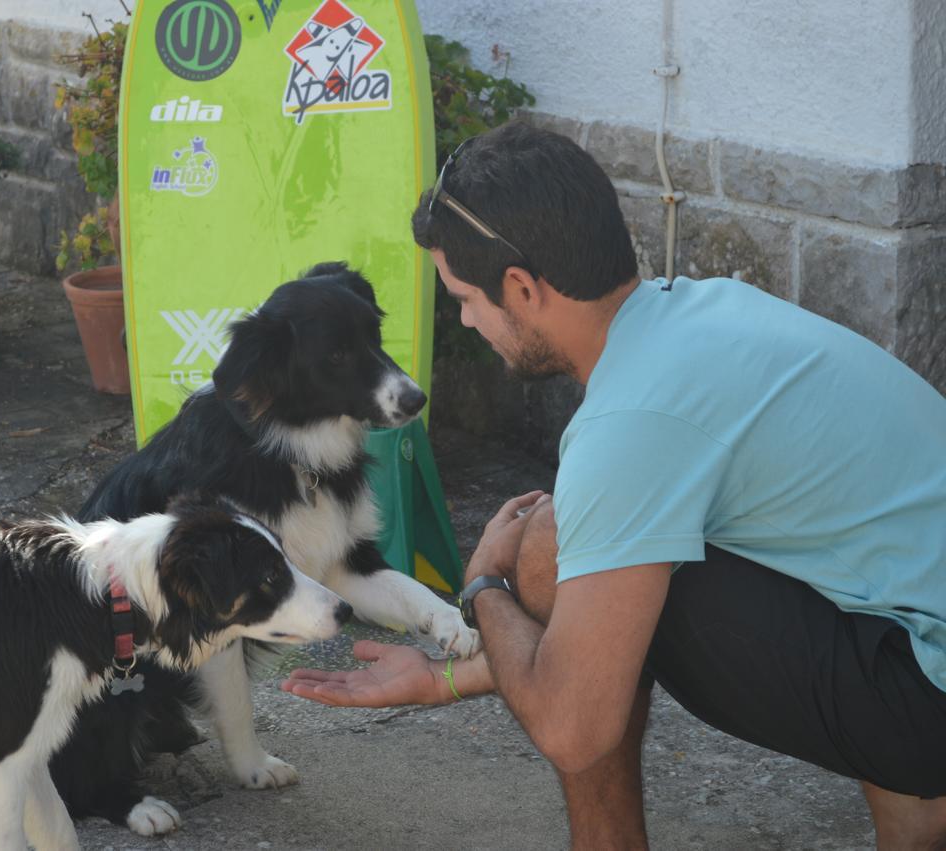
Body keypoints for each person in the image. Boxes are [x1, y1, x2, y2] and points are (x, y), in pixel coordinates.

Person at [281, 121, 946, 850]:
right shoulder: (703, 310)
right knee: (594, 550)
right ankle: (920, 810)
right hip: (914, 621)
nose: (467, 319)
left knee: (547, 549)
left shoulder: (632, 420)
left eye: (465, 298)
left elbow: (573, 727)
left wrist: (483, 587)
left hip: (925, 686)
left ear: (524, 288)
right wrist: (449, 678)